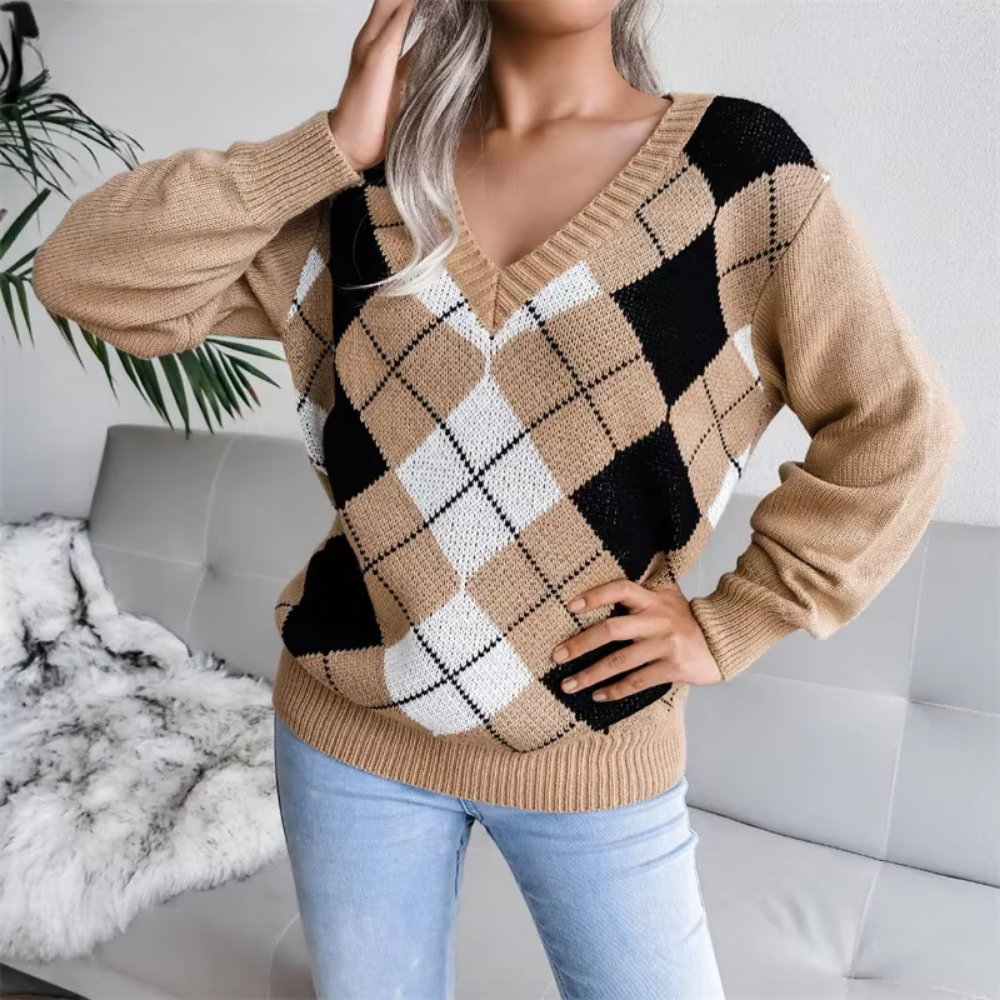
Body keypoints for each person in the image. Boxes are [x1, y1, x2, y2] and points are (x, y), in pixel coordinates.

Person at [31, 0, 963, 996]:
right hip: (346, 739)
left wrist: (735, 620)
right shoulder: (365, 186)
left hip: (593, 745)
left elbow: (897, 424)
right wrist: (328, 146)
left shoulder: (738, 177)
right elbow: (85, 274)